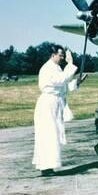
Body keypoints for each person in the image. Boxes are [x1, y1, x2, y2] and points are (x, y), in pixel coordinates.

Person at [32, 45, 79, 177]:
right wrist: (70, 64)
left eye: (63, 55)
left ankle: (49, 166)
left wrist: (77, 82)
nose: (62, 57)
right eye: (60, 55)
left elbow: (62, 86)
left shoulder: (56, 68)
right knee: (48, 135)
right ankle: (46, 167)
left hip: (54, 103)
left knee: (53, 135)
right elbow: (61, 80)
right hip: (48, 104)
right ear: (53, 55)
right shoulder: (47, 68)